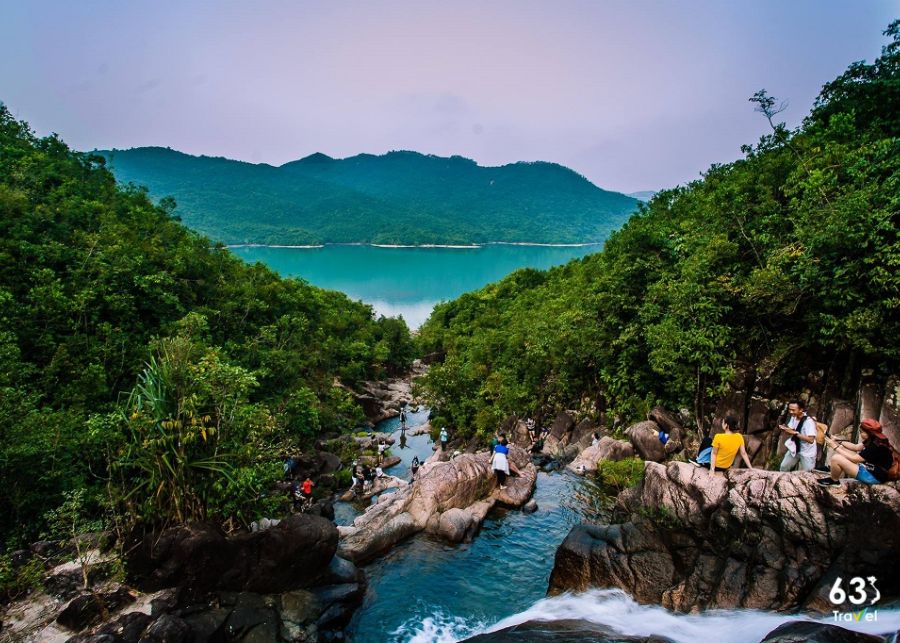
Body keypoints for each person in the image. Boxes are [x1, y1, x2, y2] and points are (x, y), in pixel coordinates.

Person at [818, 419, 893, 486]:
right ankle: (832, 468)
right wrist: (838, 441)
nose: (860, 434)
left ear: (869, 433)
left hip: (873, 476)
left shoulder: (874, 446)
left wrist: (835, 447)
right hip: (874, 470)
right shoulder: (875, 439)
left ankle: (834, 480)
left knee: (836, 458)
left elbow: (854, 459)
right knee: (843, 449)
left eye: (861, 432)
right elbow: (856, 447)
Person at [778, 400, 818, 472]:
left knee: (809, 472)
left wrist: (795, 433)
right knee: (784, 467)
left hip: (807, 451)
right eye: (789, 410)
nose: (791, 412)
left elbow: (811, 440)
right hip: (795, 448)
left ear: (801, 410)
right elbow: (791, 430)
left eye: (793, 410)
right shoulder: (794, 417)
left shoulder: (809, 422)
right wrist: (785, 429)